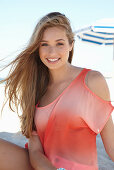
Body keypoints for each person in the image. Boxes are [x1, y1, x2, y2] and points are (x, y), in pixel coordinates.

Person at [0, 12, 114, 170]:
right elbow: (35, 151)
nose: (51, 52)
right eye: (44, 44)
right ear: (37, 48)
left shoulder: (92, 81)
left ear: (71, 44)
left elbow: (112, 145)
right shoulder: (35, 88)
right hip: (40, 166)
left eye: (59, 43)